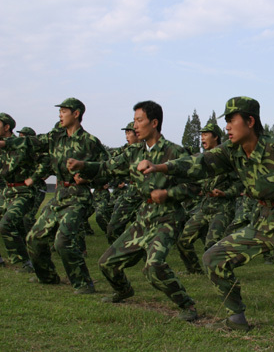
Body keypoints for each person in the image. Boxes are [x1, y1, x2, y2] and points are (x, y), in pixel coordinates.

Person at [137, 97, 274, 337]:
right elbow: (199, 163)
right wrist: (160, 167)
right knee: (213, 259)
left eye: (231, 120)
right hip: (260, 221)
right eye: (225, 122)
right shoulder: (231, 151)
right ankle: (236, 316)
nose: (226, 127)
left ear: (250, 121)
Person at [67, 101, 199, 321]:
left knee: (154, 266)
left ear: (154, 122)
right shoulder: (133, 152)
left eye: (140, 120)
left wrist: (168, 194)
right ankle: (123, 290)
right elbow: (107, 168)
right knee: (106, 263)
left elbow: (195, 186)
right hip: (144, 218)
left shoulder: (175, 152)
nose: (135, 126)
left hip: (167, 218)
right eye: (135, 121)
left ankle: (187, 306)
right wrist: (82, 165)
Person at [0, 99, 108, 293]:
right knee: (34, 238)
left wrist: (87, 179)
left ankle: (83, 284)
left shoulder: (89, 142)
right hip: (60, 195)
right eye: (60, 111)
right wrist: (5, 142)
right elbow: (31, 142)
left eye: (64, 111)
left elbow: (107, 169)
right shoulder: (55, 137)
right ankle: (47, 277)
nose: (60, 114)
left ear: (76, 114)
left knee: (63, 241)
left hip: (78, 197)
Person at [177, 122, 242, 275]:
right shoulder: (202, 159)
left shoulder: (227, 158)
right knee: (183, 241)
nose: (202, 138)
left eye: (205, 135)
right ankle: (194, 270)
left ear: (216, 137)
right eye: (201, 135)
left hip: (222, 208)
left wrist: (225, 193)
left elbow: (240, 183)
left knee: (212, 245)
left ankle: (219, 273)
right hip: (205, 207)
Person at [0, 113, 36, 272]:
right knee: (12, 225)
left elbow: (45, 160)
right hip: (6, 191)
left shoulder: (21, 144)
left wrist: (35, 177)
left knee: (7, 224)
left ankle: (25, 262)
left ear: (6, 127)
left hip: (23, 192)